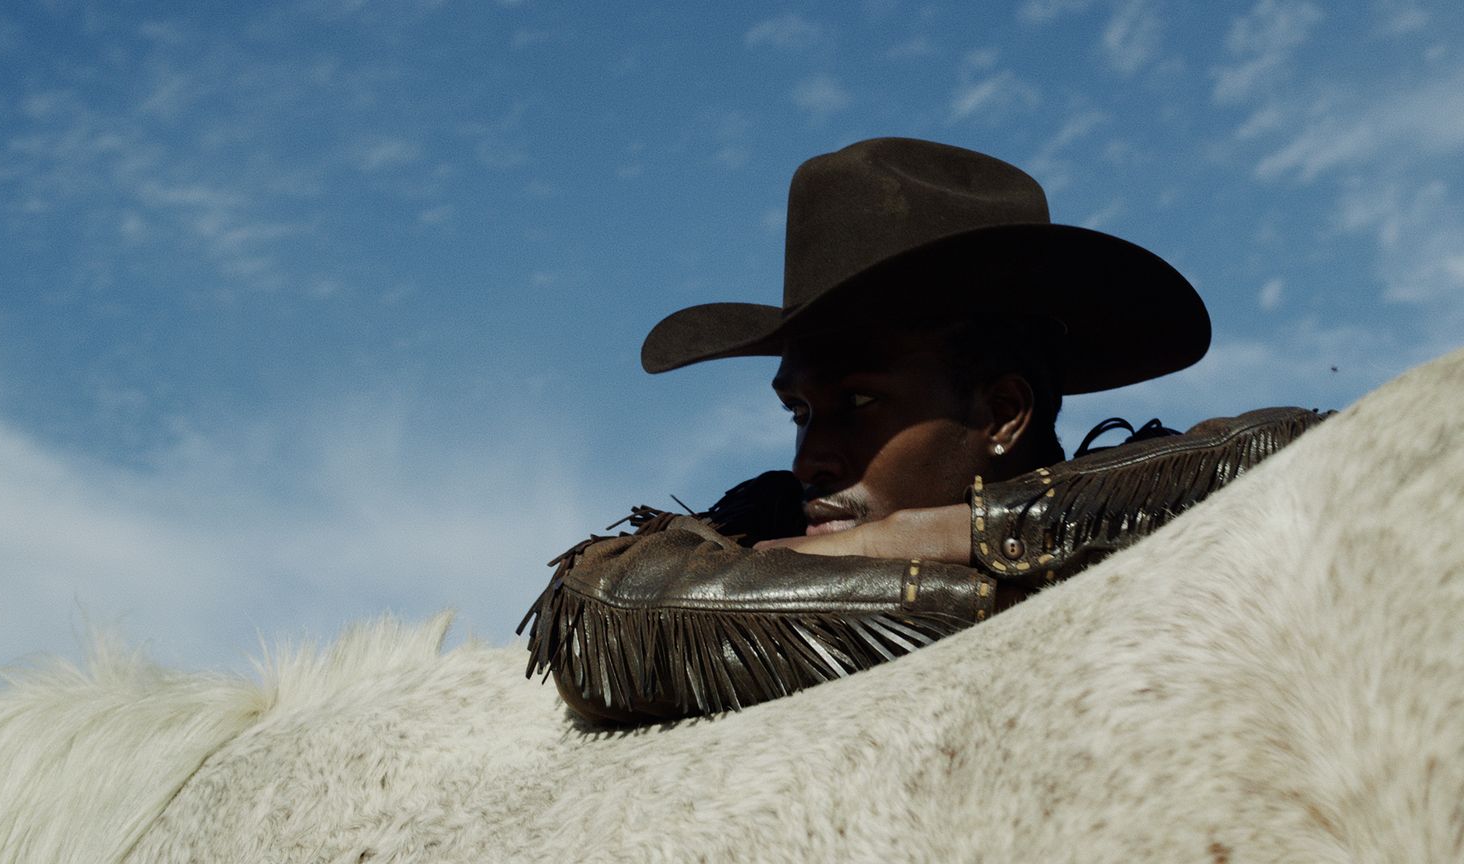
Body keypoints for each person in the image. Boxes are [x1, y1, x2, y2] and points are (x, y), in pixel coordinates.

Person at [519, 138, 1324, 726]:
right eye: (799, 411)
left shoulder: (1153, 491)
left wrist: (937, 536)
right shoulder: (770, 526)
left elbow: (1300, 451)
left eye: (858, 402)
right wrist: (997, 598)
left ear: (1002, 415)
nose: (809, 457)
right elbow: (595, 603)